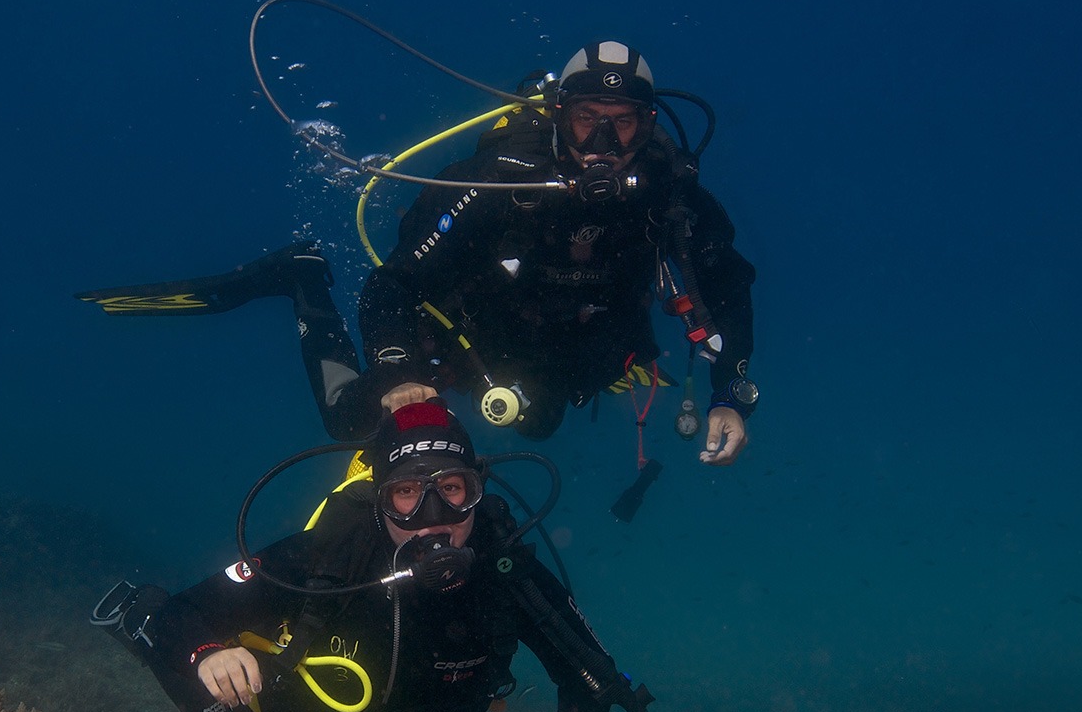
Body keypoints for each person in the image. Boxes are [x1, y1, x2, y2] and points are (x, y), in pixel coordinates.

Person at [77, 40, 758, 466]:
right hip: (462, 337)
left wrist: (730, 392)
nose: (603, 143)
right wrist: (398, 370)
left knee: (542, 427)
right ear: (558, 116)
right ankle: (302, 280)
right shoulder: (494, 183)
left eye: (623, 124)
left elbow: (729, 288)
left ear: (648, 126)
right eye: (586, 119)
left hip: (554, 351)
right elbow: (391, 289)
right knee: (358, 424)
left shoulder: (670, 199)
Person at [90, 401, 652, 712]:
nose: (433, 519)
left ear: (476, 493)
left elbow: (592, 675)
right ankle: (140, 615)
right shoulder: (329, 554)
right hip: (297, 697)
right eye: (407, 494)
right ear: (379, 500)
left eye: (452, 490)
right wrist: (208, 652)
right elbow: (195, 609)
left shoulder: (507, 569)